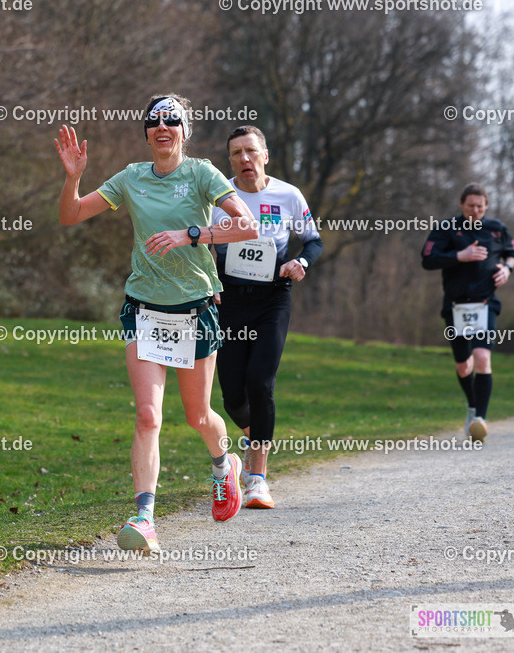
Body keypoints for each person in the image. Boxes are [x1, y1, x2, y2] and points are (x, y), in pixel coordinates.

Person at [55, 93, 258, 553]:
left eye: (173, 120)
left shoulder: (201, 173)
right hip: (145, 307)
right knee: (148, 416)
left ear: (185, 131)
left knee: (199, 416)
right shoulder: (131, 177)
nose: (163, 127)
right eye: (154, 121)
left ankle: (223, 464)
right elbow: (69, 215)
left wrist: (193, 235)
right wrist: (73, 179)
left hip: (195, 308)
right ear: (146, 132)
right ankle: (145, 518)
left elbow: (246, 227)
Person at [211, 126, 323, 509]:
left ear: (265, 155)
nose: (244, 159)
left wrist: (301, 261)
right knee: (232, 397)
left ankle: (257, 477)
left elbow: (314, 240)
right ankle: (254, 437)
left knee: (261, 382)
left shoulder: (288, 195)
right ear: (230, 161)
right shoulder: (218, 194)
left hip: (272, 299)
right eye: (236, 153)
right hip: (228, 301)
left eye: (250, 151)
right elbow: (201, 245)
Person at [421, 183, 514, 442]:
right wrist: (460, 255)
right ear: (461, 205)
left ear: (486, 206)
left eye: (480, 206)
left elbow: (513, 253)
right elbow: (428, 259)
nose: (475, 211)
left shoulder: (497, 229)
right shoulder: (446, 228)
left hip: (485, 304)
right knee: (464, 366)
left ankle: (480, 419)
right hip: (455, 306)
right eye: (470, 206)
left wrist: (507, 269)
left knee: (482, 358)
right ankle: (472, 406)